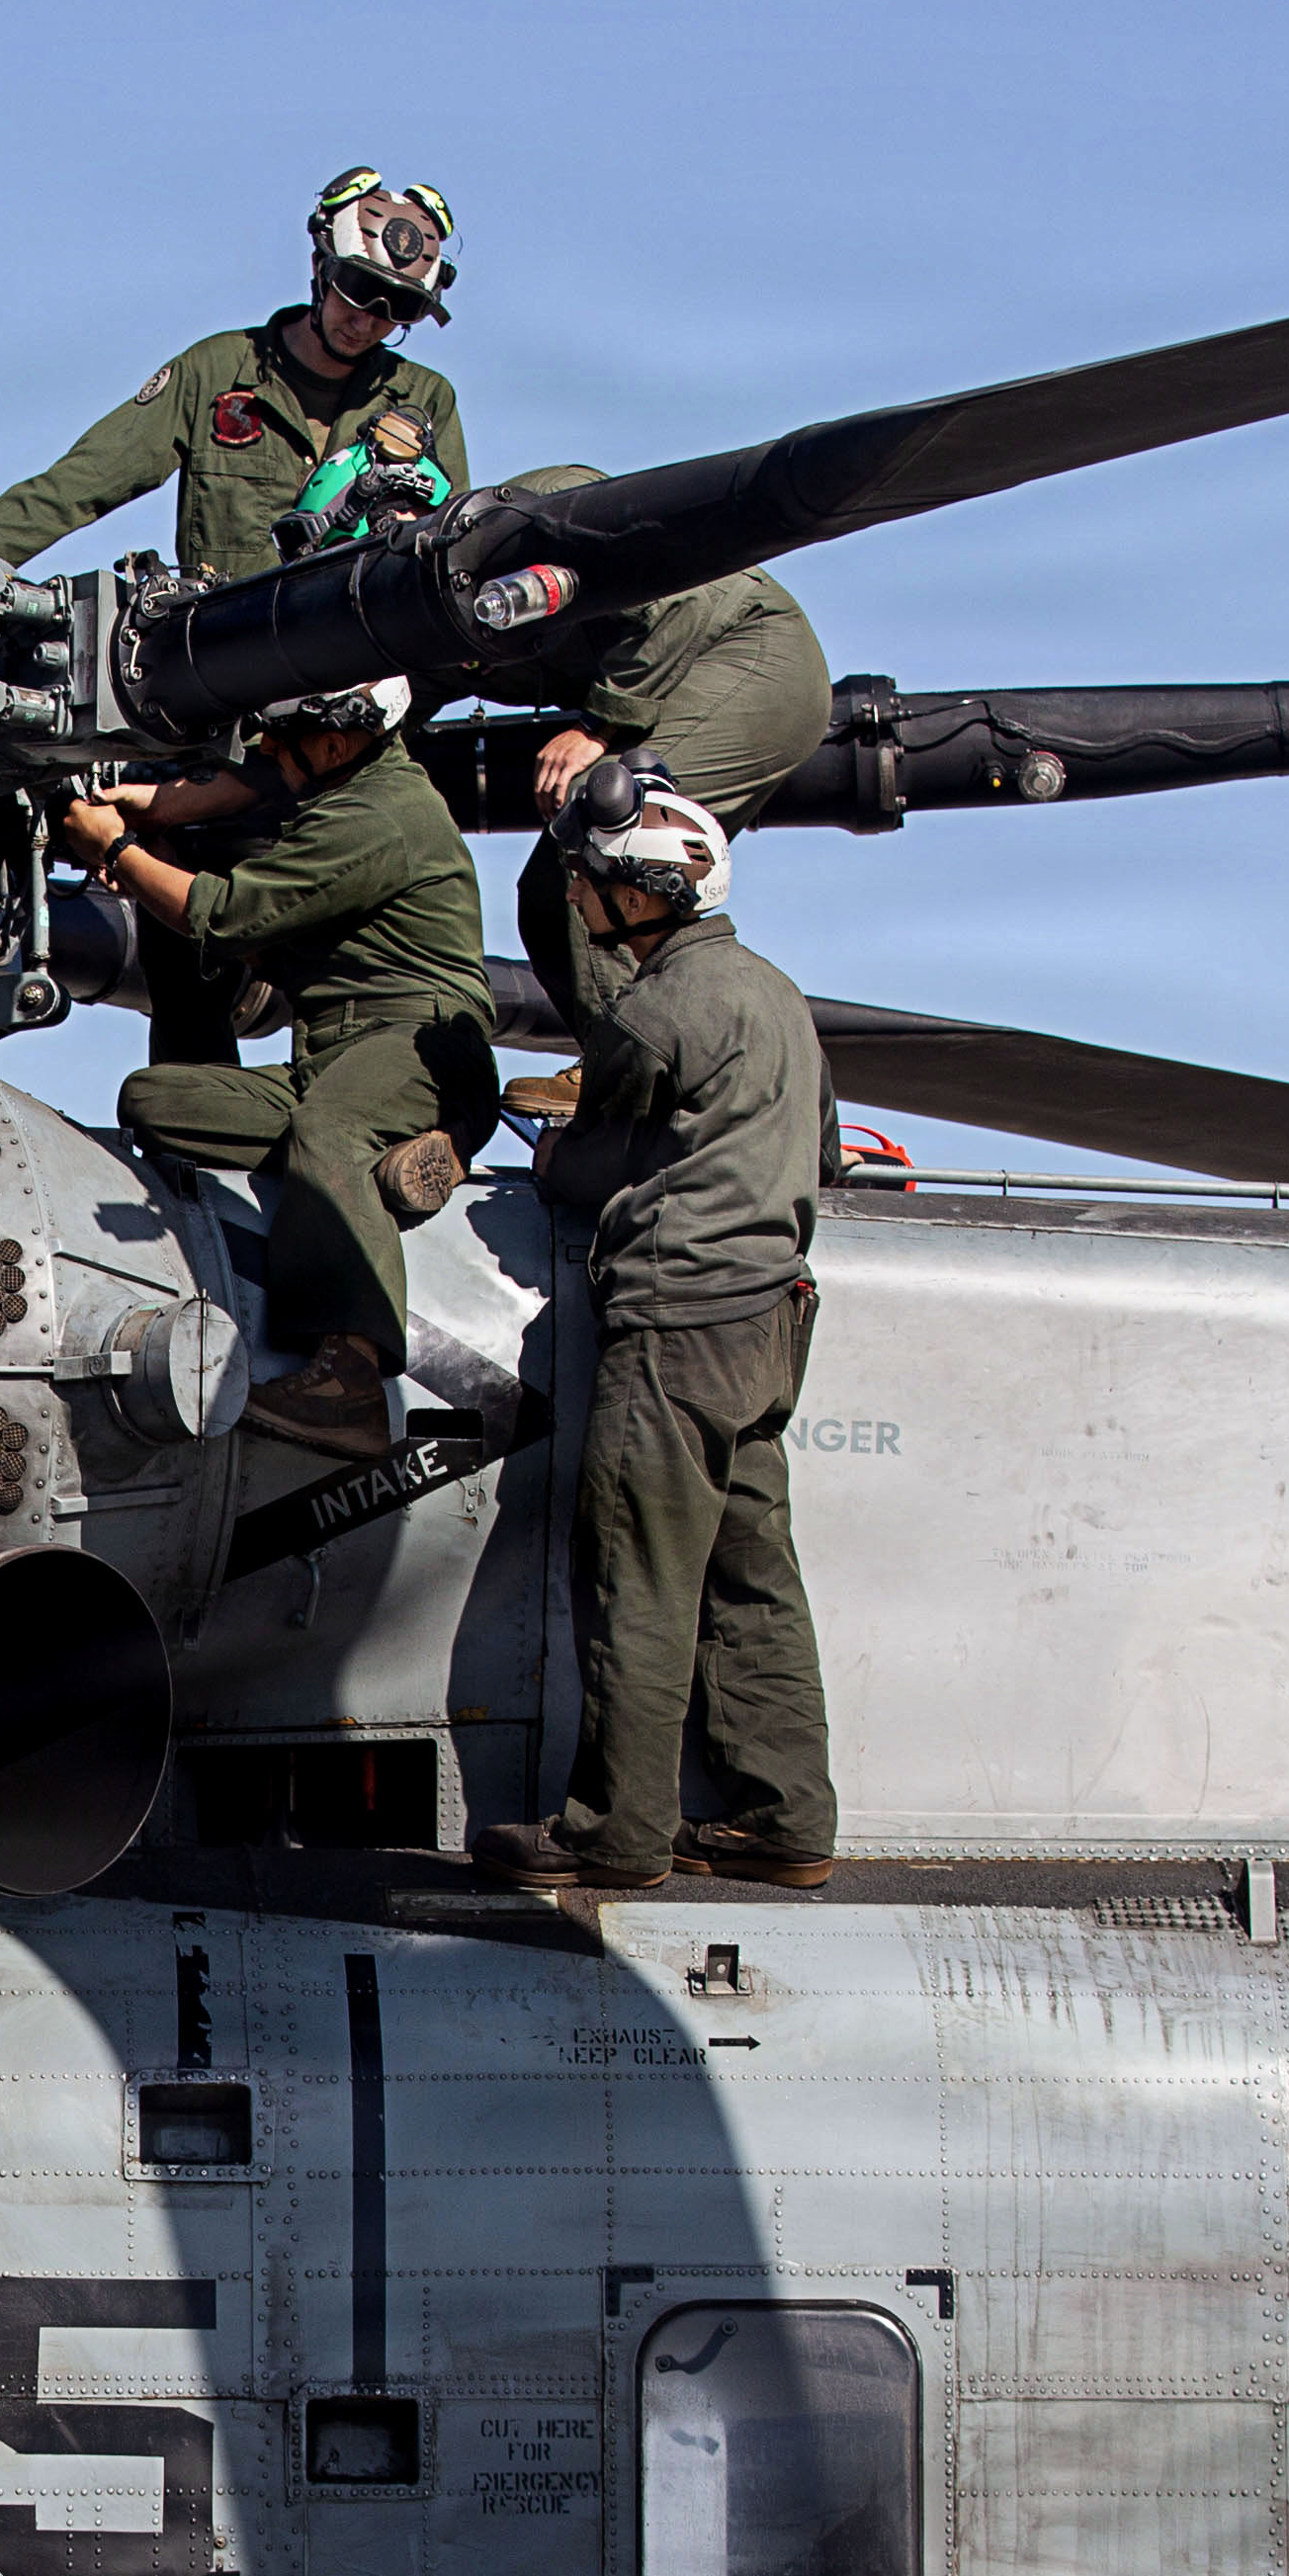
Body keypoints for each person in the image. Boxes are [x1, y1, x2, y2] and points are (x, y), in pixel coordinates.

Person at [474, 766, 839, 1898]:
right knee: (752, 1580)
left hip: (677, 1322)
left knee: (635, 1578)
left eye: (586, 883)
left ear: (638, 895)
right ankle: (784, 1819)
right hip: (769, 1319)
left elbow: (598, 1161)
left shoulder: (654, 1011)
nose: (577, 898)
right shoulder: (776, 995)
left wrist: (549, 1147)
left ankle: (614, 1835)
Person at [62, 680, 497, 1459]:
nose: (264, 754)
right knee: (155, 1101)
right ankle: (381, 1163)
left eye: (280, 739)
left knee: (330, 1128)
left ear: (335, 744)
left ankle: (351, 1381)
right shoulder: (340, 791)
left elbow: (223, 917)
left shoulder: (374, 816)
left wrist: (118, 853)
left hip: (415, 1046)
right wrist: (155, 827)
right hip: (330, 1056)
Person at [458, 468, 839, 1068]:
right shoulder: (392, 608)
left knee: (603, 838)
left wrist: (598, 727)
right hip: (672, 686)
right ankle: (627, 1060)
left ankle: (635, 1067)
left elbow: (678, 593)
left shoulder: (528, 517)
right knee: (551, 893)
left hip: (750, 655)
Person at [0, 171, 468, 587]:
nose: (367, 320)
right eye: (357, 289)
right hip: (229, 671)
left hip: (365, 676)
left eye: (399, 306)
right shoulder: (215, 372)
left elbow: (459, 552)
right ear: (320, 267)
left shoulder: (426, 400)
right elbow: (73, 487)